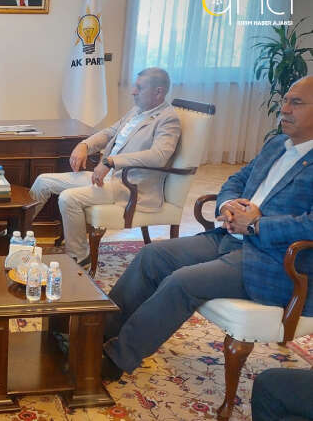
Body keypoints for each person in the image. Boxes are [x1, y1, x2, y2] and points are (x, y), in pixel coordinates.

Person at [101, 76, 313, 381]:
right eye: (285, 101)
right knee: (152, 256)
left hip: (273, 260)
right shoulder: (276, 144)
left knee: (182, 282)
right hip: (231, 237)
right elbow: (236, 180)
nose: (285, 109)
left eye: (297, 103)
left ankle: (115, 359)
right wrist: (227, 205)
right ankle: (97, 334)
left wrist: (257, 225)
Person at [29, 67, 181, 268]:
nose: (133, 92)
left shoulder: (168, 119)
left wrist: (111, 161)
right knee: (43, 181)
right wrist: (84, 145)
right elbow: (109, 132)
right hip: (107, 178)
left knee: (68, 198)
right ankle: (17, 236)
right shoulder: (137, 111)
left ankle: (79, 257)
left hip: (130, 186)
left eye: (139, 88)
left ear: (158, 92)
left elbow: (159, 156)